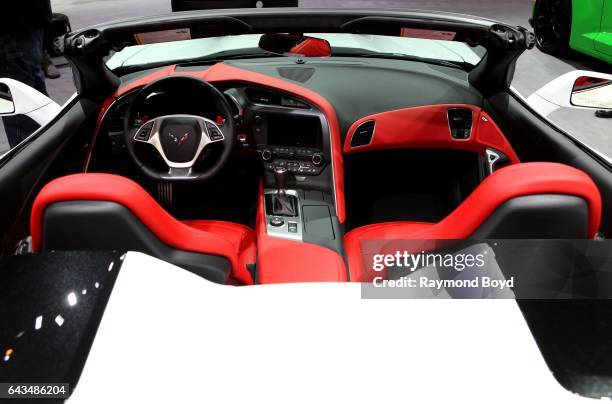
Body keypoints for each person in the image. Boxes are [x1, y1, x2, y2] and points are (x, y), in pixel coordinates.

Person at [0, 2, 52, 148]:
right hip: (26, 21)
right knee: (33, 99)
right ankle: (46, 155)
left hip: (11, 24)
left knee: (17, 107)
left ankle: (31, 162)